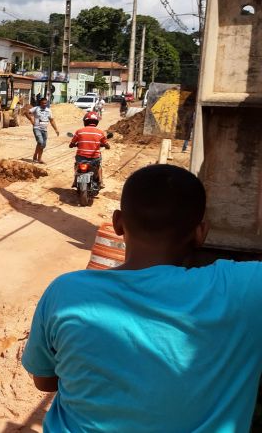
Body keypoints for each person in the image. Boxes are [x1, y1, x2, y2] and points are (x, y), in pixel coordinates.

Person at [22, 164, 262, 432]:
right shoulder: (246, 288)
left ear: (117, 223)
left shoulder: (66, 292)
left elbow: (44, 381)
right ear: (201, 232)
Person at [69, 111, 110, 188]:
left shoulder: (79, 131)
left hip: (81, 158)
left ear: (85, 122)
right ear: (96, 122)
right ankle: (100, 182)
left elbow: (71, 144)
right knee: (99, 166)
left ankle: (75, 181)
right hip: (94, 158)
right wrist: (107, 146)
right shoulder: (100, 132)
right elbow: (105, 143)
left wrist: (72, 145)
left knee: (77, 165)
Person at [24, 97, 59, 164]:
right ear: (40, 103)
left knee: (42, 145)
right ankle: (37, 157)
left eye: (46, 103)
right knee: (40, 141)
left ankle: (38, 158)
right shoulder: (36, 108)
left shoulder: (49, 110)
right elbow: (26, 112)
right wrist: (31, 120)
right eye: (43, 103)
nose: (44, 104)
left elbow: (51, 120)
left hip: (44, 130)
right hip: (37, 128)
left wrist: (56, 129)